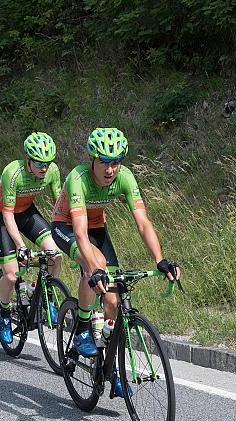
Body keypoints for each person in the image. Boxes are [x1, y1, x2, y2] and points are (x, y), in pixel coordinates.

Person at [51, 128, 181, 367]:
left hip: (98, 227)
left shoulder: (126, 177)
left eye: (116, 163)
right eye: (104, 163)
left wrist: (160, 260)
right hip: (66, 226)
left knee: (113, 302)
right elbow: (80, 232)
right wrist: (93, 268)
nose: (110, 170)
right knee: (96, 266)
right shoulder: (78, 178)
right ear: (92, 160)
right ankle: (81, 327)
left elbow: (143, 222)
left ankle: (109, 368)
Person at [0, 132, 64, 344]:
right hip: (4, 215)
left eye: (47, 163)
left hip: (27, 212)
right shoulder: (13, 172)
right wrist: (21, 246)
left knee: (55, 254)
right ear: (28, 160)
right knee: (12, 275)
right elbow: (7, 214)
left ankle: (46, 297)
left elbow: (58, 204)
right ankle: (4, 313)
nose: (44, 168)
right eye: (39, 163)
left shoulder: (52, 172)